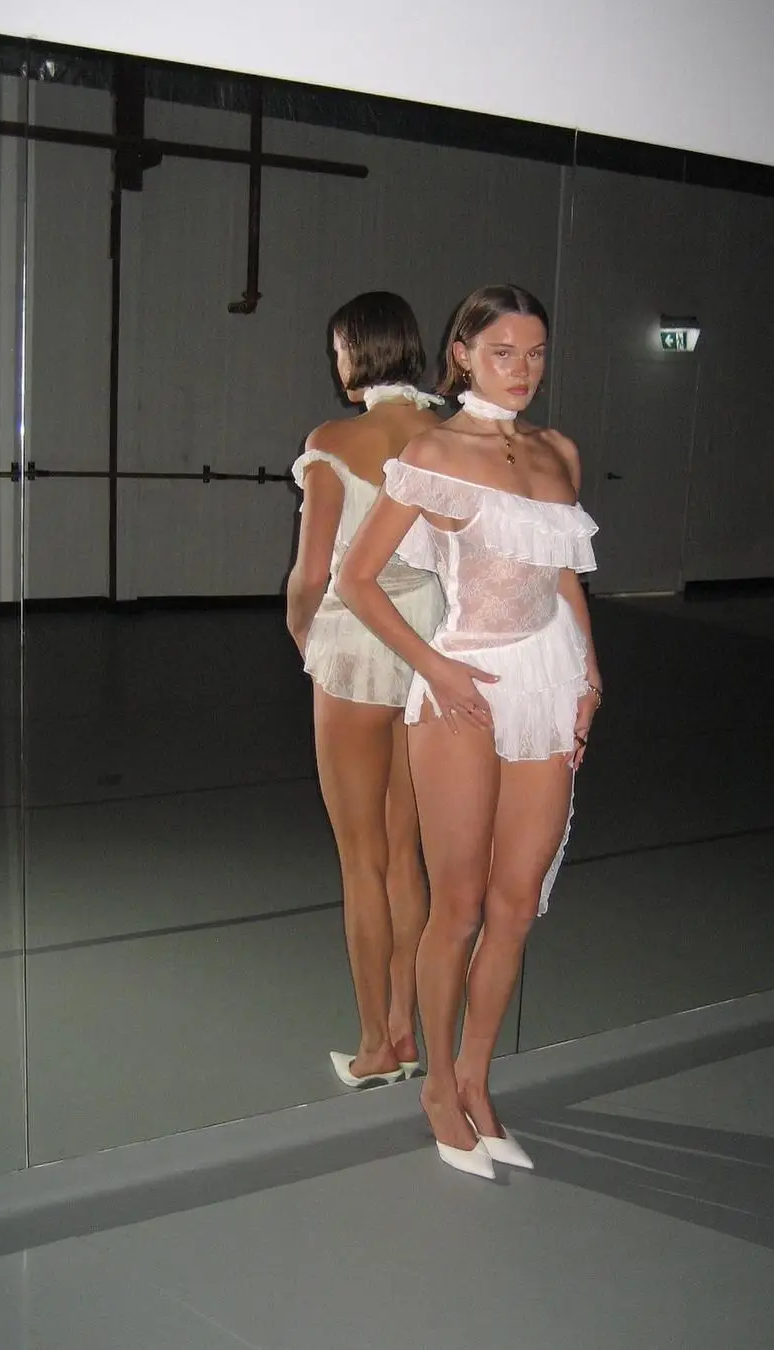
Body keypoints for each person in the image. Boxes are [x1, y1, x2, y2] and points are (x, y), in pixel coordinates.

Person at [336, 284, 602, 1178]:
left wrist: (591, 672)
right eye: (502, 353)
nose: (522, 370)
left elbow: (563, 574)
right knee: (457, 905)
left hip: (547, 677)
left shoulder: (558, 452)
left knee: (515, 904)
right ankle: (438, 1088)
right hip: (463, 684)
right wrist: (436, 666)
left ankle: (480, 1081)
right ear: (462, 355)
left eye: (536, 353)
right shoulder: (435, 451)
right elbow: (359, 578)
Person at [286, 292, 445, 1089]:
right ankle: (408, 1031)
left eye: (337, 349)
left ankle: (376, 1046)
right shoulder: (447, 436)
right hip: (430, 640)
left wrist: (304, 639)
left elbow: (311, 574)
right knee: (405, 853)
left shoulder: (334, 442)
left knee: (361, 860)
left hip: (357, 640)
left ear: (355, 352)